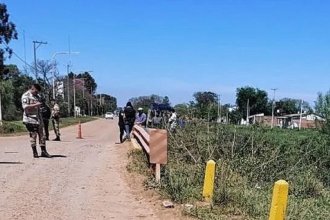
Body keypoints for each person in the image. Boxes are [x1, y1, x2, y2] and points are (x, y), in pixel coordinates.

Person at [22, 84, 51, 158]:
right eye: (36, 91)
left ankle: (43, 151)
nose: (37, 93)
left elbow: (40, 105)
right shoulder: (26, 95)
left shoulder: (38, 96)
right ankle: (35, 152)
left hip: (39, 118)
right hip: (30, 119)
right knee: (33, 135)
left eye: (38, 92)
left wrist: (42, 108)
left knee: (42, 135)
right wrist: (36, 105)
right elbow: (25, 107)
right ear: (32, 89)